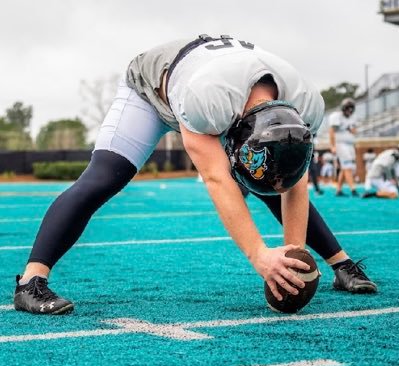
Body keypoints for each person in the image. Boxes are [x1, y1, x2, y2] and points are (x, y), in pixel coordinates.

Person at [14, 35, 377, 315]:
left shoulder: (305, 107)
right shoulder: (207, 100)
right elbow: (218, 179)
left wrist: (294, 257)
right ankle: (31, 282)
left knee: (270, 178)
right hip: (153, 87)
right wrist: (260, 257)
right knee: (104, 177)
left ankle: (341, 263)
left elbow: (293, 180)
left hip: (219, 85)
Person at [329, 98, 359, 196]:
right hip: (341, 144)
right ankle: (353, 189)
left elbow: (355, 131)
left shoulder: (352, 117)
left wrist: (351, 129)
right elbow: (332, 132)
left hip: (350, 145)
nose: (349, 111)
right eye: (348, 108)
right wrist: (333, 146)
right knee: (348, 167)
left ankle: (338, 190)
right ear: (343, 108)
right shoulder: (336, 116)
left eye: (351, 109)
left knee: (344, 168)